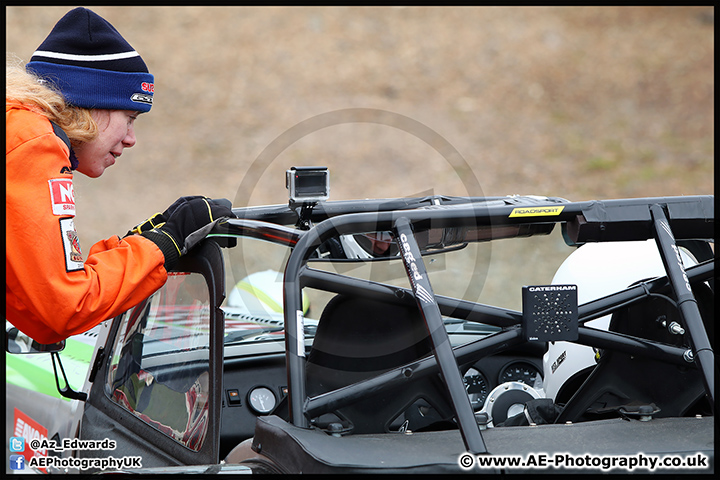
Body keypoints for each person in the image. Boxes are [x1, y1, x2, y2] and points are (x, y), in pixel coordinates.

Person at [6, 7, 234, 345]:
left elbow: (40, 315)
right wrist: (163, 245)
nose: (131, 138)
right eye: (129, 117)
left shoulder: (16, 130)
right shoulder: (33, 142)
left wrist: (134, 248)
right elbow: (68, 307)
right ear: (88, 103)